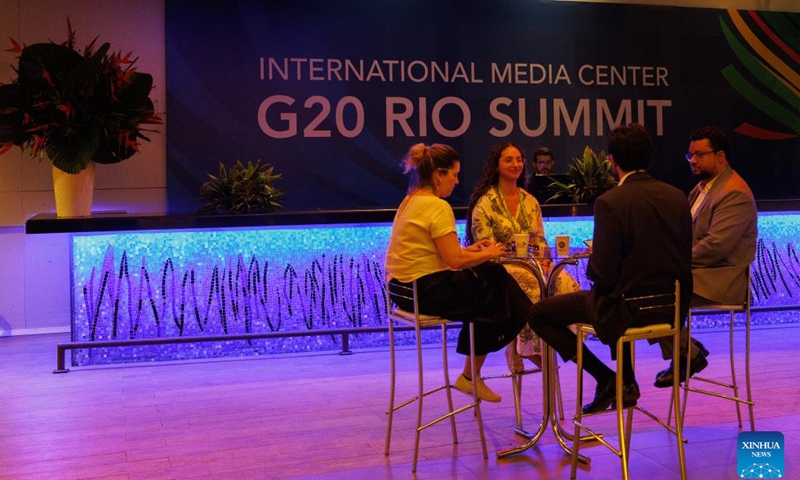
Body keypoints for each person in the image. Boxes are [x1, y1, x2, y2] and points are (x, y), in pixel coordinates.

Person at [526, 123, 693, 414]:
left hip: (625, 310)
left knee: (540, 313)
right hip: (671, 309)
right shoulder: (677, 196)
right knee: (619, 292)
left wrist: (595, 259)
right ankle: (625, 381)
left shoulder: (610, 202)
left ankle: (606, 378)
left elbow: (602, 273)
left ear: (612, 160)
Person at [385, 143, 537, 403]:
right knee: (494, 286)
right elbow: (454, 260)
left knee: (490, 285)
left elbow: (444, 254)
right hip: (425, 290)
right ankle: (529, 332)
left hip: (403, 290)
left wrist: (475, 251)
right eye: (454, 175)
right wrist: (488, 254)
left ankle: (478, 370)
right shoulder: (436, 206)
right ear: (438, 174)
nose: (456, 181)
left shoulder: (410, 201)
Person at [653, 126, 758, 388]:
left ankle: (687, 353)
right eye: (690, 156)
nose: (694, 161)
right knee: (645, 285)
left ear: (720, 156)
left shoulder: (734, 192)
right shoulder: (703, 188)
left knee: (653, 290)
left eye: (700, 155)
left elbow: (715, 247)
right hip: (700, 272)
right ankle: (688, 351)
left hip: (723, 279)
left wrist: (671, 261)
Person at [466, 142, 581, 373]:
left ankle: (561, 345)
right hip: (501, 268)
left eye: (519, 159)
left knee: (566, 283)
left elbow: (540, 239)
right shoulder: (486, 203)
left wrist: (546, 259)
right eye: (508, 160)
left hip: (533, 264)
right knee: (532, 287)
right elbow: (483, 248)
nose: (515, 164)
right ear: (496, 165)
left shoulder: (530, 201)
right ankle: (528, 349)